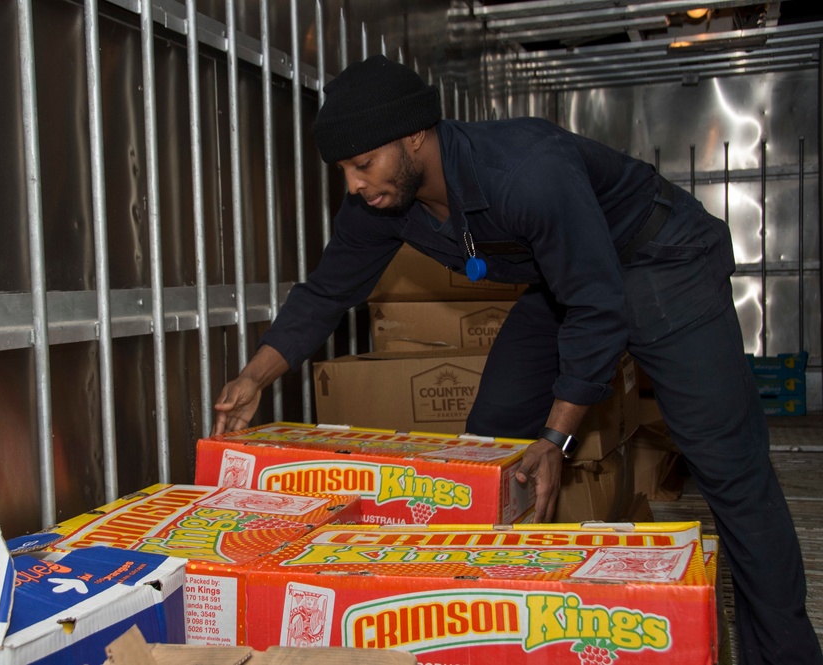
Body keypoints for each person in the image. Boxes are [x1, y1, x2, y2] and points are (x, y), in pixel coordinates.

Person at [211, 54, 822, 663]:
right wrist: (254, 376)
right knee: (491, 441)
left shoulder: (526, 169)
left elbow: (598, 306)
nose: (353, 184)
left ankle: (787, 654)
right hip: (563, 278)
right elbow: (327, 290)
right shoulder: (384, 204)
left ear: (414, 136)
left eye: (362, 164)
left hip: (660, 257)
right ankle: (498, 624)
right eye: (345, 169)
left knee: (727, 467)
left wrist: (556, 439)